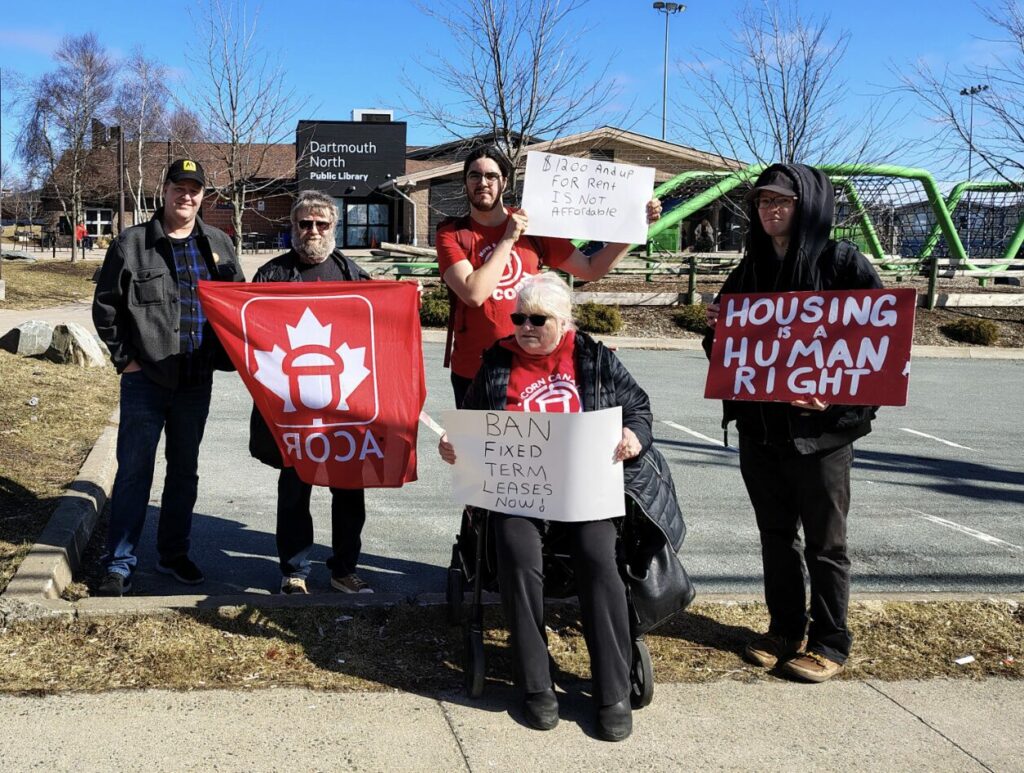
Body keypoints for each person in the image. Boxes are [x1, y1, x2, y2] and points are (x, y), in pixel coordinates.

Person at [439, 273, 686, 742]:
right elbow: (470, 424)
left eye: (538, 319)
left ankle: (611, 690)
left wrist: (634, 436)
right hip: (517, 493)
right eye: (519, 318)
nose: (525, 327)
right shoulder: (496, 363)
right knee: (514, 550)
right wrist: (455, 446)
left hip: (584, 491)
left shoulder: (593, 360)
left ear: (565, 321)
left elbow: (638, 408)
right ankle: (535, 683)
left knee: (599, 555)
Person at [703, 163, 883, 683]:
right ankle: (784, 630)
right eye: (762, 202)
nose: (770, 210)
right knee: (776, 535)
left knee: (828, 545)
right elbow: (726, 353)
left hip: (821, 437)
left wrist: (838, 401)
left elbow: (879, 349)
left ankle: (830, 642)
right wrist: (716, 330)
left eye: (781, 201)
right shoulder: (750, 268)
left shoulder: (842, 262)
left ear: (806, 206)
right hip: (760, 431)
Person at [92, 159, 244, 596]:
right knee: (134, 472)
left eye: (195, 189)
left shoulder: (218, 244)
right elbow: (106, 307)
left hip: (195, 382)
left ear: (203, 196)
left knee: (184, 472)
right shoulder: (132, 243)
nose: (187, 196)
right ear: (164, 190)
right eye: (180, 187)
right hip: (146, 381)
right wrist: (127, 361)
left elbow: (240, 303)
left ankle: (173, 555)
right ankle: (119, 562)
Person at [435, 145, 661, 406]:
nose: (482, 183)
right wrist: (508, 238)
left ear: (504, 182)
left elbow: (590, 268)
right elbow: (474, 294)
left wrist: (635, 227)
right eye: (474, 175)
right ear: (465, 182)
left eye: (491, 176)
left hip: (529, 367)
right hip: (474, 371)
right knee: (474, 448)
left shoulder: (534, 225)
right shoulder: (452, 234)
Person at [248, 190, 374, 596]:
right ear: (293, 227)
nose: (313, 231)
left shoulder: (354, 276)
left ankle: (343, 569)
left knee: (350, 491)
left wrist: (408, 303)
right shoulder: (270, 277)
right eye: (305, 224)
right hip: (292, 407)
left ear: (334, 227)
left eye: (322, 224)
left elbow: (378, 330)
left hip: (344, 406)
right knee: (294, 489)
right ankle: (294, 571)